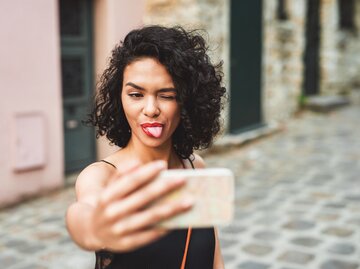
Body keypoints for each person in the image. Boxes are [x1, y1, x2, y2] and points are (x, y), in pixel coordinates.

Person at [66, 25, 227, 269]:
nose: (151, 109)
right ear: (119, 97)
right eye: (136, 94)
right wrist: (94, 227)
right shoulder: (102, 176)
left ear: (187, 101)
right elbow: (83, 216)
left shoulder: (195, 168)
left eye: (167, 95)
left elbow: (215, 260)